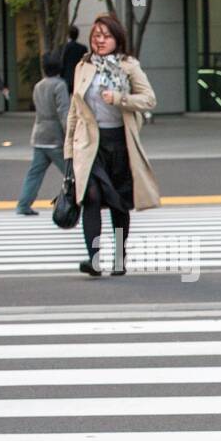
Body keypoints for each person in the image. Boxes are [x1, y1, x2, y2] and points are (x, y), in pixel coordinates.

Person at [64, 14, 160, 276]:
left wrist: (119, 98)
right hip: (89, 146)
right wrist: (69, 152)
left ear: (117, 39)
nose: (100, 41)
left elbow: (149, 100)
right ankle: (94, 259)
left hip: (120, 143)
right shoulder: (83, 66)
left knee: (118, 204)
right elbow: (75, 110)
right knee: (91, 197)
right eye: (96, 36)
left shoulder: (129, 66)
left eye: (106, 36)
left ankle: (120, 257)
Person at [15, 52, 70, 216]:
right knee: (72, 173)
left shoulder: (38, 85)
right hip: (55, 138)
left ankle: (23, 204)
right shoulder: (60, 85)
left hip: (39, 135)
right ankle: (86, 201)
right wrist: (70, 135)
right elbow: (63, 112)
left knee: (34, 173)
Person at [60, 26, 87, 96]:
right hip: (79, 77)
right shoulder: (83, 48)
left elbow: (62, 62)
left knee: (66, 99)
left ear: (68, 35)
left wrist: (61, 75)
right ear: (77, 35)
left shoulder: (64, 48)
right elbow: (85, 63)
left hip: (67, 77)